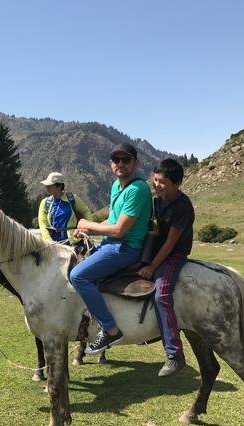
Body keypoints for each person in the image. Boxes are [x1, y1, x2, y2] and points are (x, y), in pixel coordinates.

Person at [70, 142, 152, 354]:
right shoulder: (117, 186)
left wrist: (87, 224)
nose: (121, 164)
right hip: (111, 244)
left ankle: (110, 330)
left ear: (136, 163)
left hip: (126, 248)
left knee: (78, 276)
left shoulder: (138, 189)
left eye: (126, 160)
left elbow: (119, 230)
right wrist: (88, 230)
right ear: (110, 163)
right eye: (116, 160)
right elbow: (112, 219)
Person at [138, 159, 195, 377]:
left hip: (173, 255)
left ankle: (175, 354)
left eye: (163, 182)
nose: (157, 184)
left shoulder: (182, 206)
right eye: (155, 179)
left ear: (177, 183)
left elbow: (171, 242)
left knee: (162, 294)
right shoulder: (157, 200)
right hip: (155, 251)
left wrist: (152, 267)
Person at [38, 172, 93, 250]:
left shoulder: (73, 199)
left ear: (59, 186)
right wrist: (48, 239)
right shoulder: (44, 203)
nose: (46, 187)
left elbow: (86, 211)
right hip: (53, 244)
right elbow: (42, 222)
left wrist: (88, 229)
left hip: (74, 242)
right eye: (46, 185)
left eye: (50, 185)